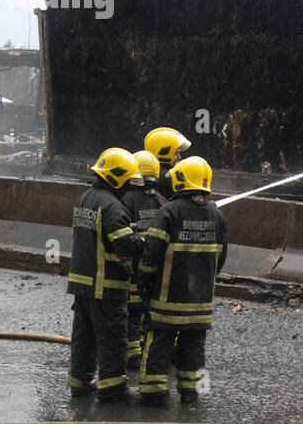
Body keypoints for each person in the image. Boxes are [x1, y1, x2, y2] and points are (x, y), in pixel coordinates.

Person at [135, 155, 227, 404]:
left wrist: (143, 278)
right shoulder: (217, 216)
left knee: (159, 343)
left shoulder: (169, 211)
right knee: (194, 346)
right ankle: (190, 391)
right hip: (200, 304)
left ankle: (154, 393)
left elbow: (151, 251)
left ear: (181, 181)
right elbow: (220, 259)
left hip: (167, 301)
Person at [66, 147, 142, 401]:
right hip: (106, 286)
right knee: (111, 338)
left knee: (84, 338)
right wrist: (143, 240)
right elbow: (124, 246)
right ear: (119, 177)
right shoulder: (112, 206)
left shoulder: (84, 198)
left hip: (81, 283)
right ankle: (112, 389)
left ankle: (80, 382)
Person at [120, 150, 166, 369]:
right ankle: (147, 351)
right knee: (147, 315)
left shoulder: (127, 199)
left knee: (131, 314)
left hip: (132, 269)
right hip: (153, 271)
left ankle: (132, 355)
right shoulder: (161, 200)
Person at [143, 126, 192, 200]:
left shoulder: (142, 172)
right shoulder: (169, 177)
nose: (179, 157)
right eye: (176, 153)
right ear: (164, 152)